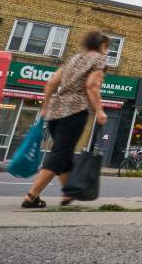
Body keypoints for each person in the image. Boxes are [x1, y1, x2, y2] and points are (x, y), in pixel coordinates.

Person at [21, 30, 110, 208]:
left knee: (65, 152)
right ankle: (31, 196)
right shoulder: (98, 59)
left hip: (55, 111)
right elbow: (91, 85)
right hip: (74, 110)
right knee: (60, 152)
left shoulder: (74, 58)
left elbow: (52, 82)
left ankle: (68, 194)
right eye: (106, 48)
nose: (106, 52)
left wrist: (46, 106)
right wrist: (99, 110)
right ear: (101, 46)